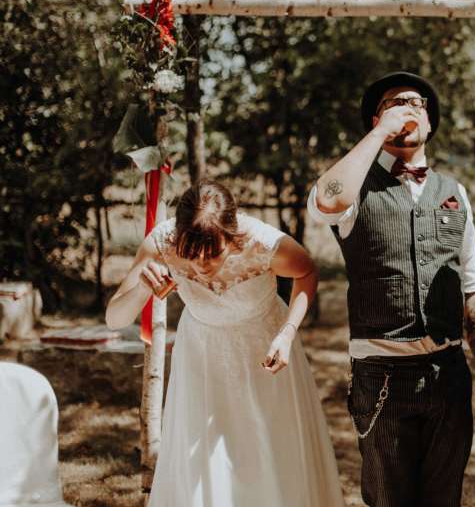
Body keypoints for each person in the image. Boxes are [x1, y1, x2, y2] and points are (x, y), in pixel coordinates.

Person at [307, 71, 475, 507]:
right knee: (388, 499)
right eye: (394, 103)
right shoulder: (353, 187)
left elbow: (471, 285)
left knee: (444, 498)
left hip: (448, 373)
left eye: (417, 103)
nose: (408, 108)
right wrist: (380, 134)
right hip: (382, 377)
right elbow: (327, 201)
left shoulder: (454, 192)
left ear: (429, 122)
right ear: (376, 120)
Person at [106, 180, 345, 507]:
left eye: (213, 254)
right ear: (179, 239)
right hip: (201, 359)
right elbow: (115, 319)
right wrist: (142, 289)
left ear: (232, 236)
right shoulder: (160, 244)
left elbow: (306, 271)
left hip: (264, 354)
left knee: (270, 452)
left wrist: (287, 332)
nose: (202, 266)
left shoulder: (262, 243)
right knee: (204, 463)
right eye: (191, 255)